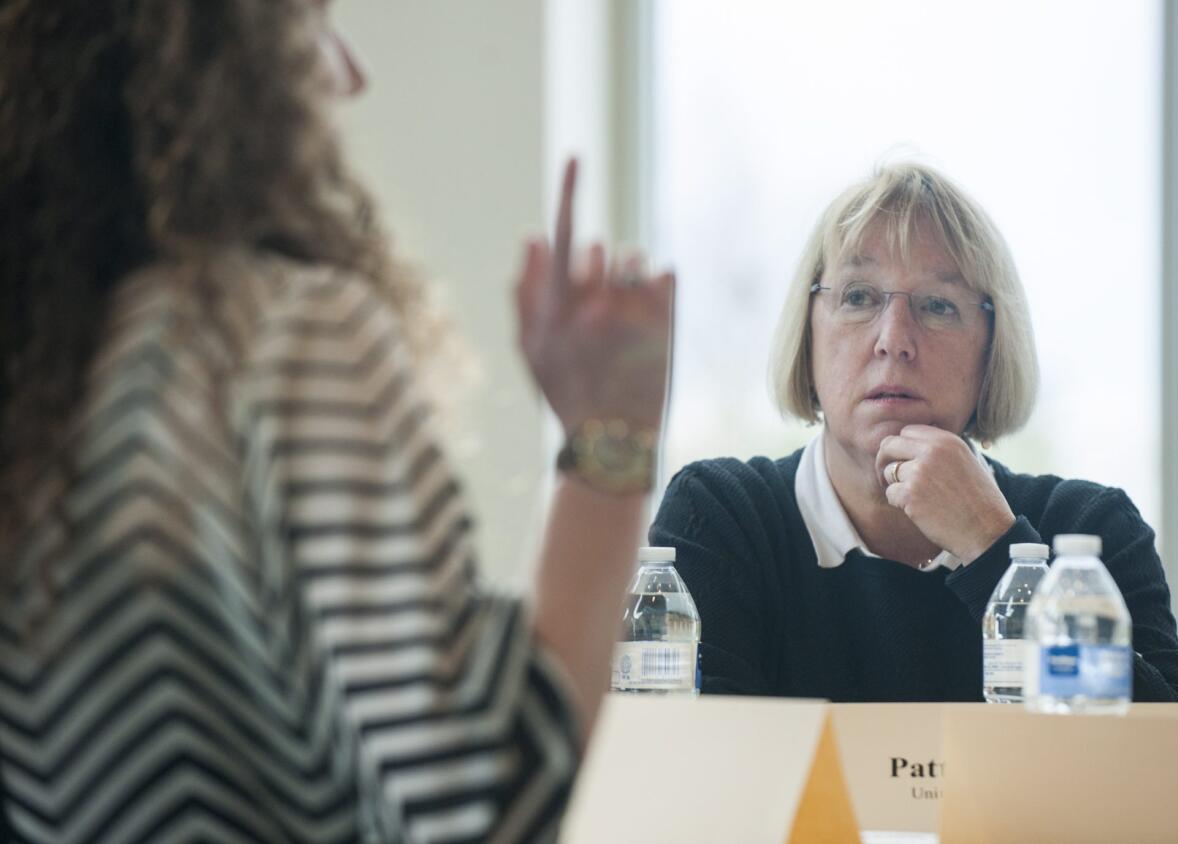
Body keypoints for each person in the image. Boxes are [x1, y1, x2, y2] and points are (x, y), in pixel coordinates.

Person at [0, 1, 673, 841]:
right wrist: (612, 435)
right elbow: (492, 800)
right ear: (225, 62)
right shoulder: (277, 339)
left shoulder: (41, 371)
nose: (349, 74)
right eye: (312, 25)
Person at [649, 162, 1178, 714]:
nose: (894, 340)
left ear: (992, 350)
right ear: (807, 332)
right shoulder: (720, 515)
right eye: (858, 297)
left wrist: (996, 551)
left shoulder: (1086, 532)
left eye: (938, 305)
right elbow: (690, 780)